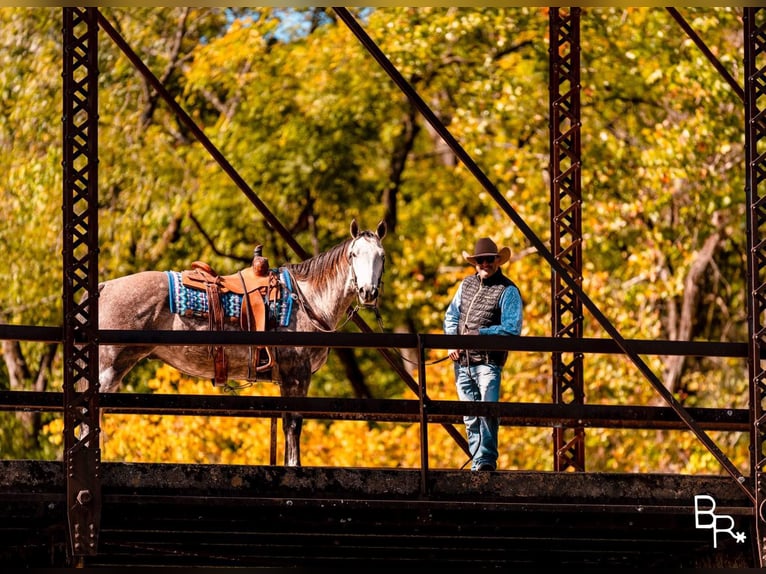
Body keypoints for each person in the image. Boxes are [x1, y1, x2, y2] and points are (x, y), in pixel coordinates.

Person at [443, 236, 523, 471]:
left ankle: (486, 461)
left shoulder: (508, 291)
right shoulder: (465, 285)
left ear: (497, 261)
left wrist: (481, 333)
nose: (484, 264)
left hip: (488, 363)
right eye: (480, 261)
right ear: (475, 263)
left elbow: (512, 329)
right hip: (463, 362)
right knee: (470, 415)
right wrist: (452, 342)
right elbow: (451, 316)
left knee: (487, 412)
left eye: (488, 260)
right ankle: (478, 461)